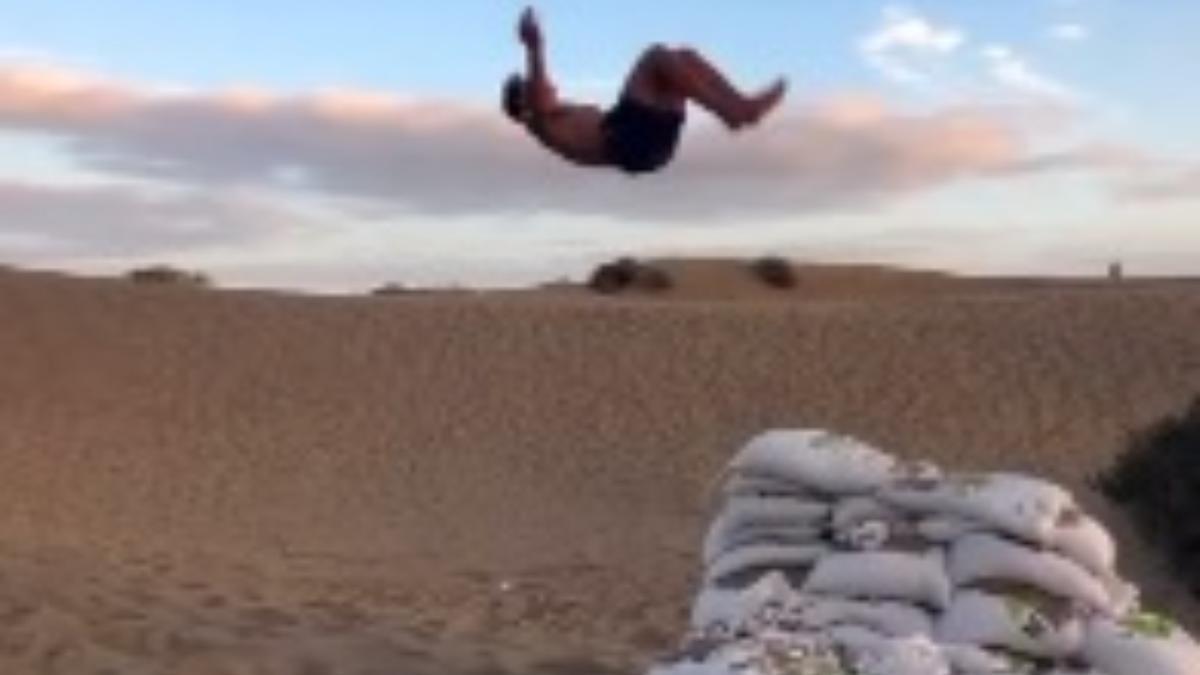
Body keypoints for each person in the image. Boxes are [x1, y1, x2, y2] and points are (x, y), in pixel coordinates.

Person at [502, 7, 787, 175]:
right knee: (655, 57)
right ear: (525, 105)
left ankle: (740, 106)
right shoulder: (541, 123)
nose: (551, 85)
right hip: (630, 139)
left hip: (649, 143)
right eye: (536, 87)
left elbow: (541, 95)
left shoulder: (555, 117)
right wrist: (535, 48)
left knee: (683, 58)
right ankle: (731, 113)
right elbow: (539, 101)